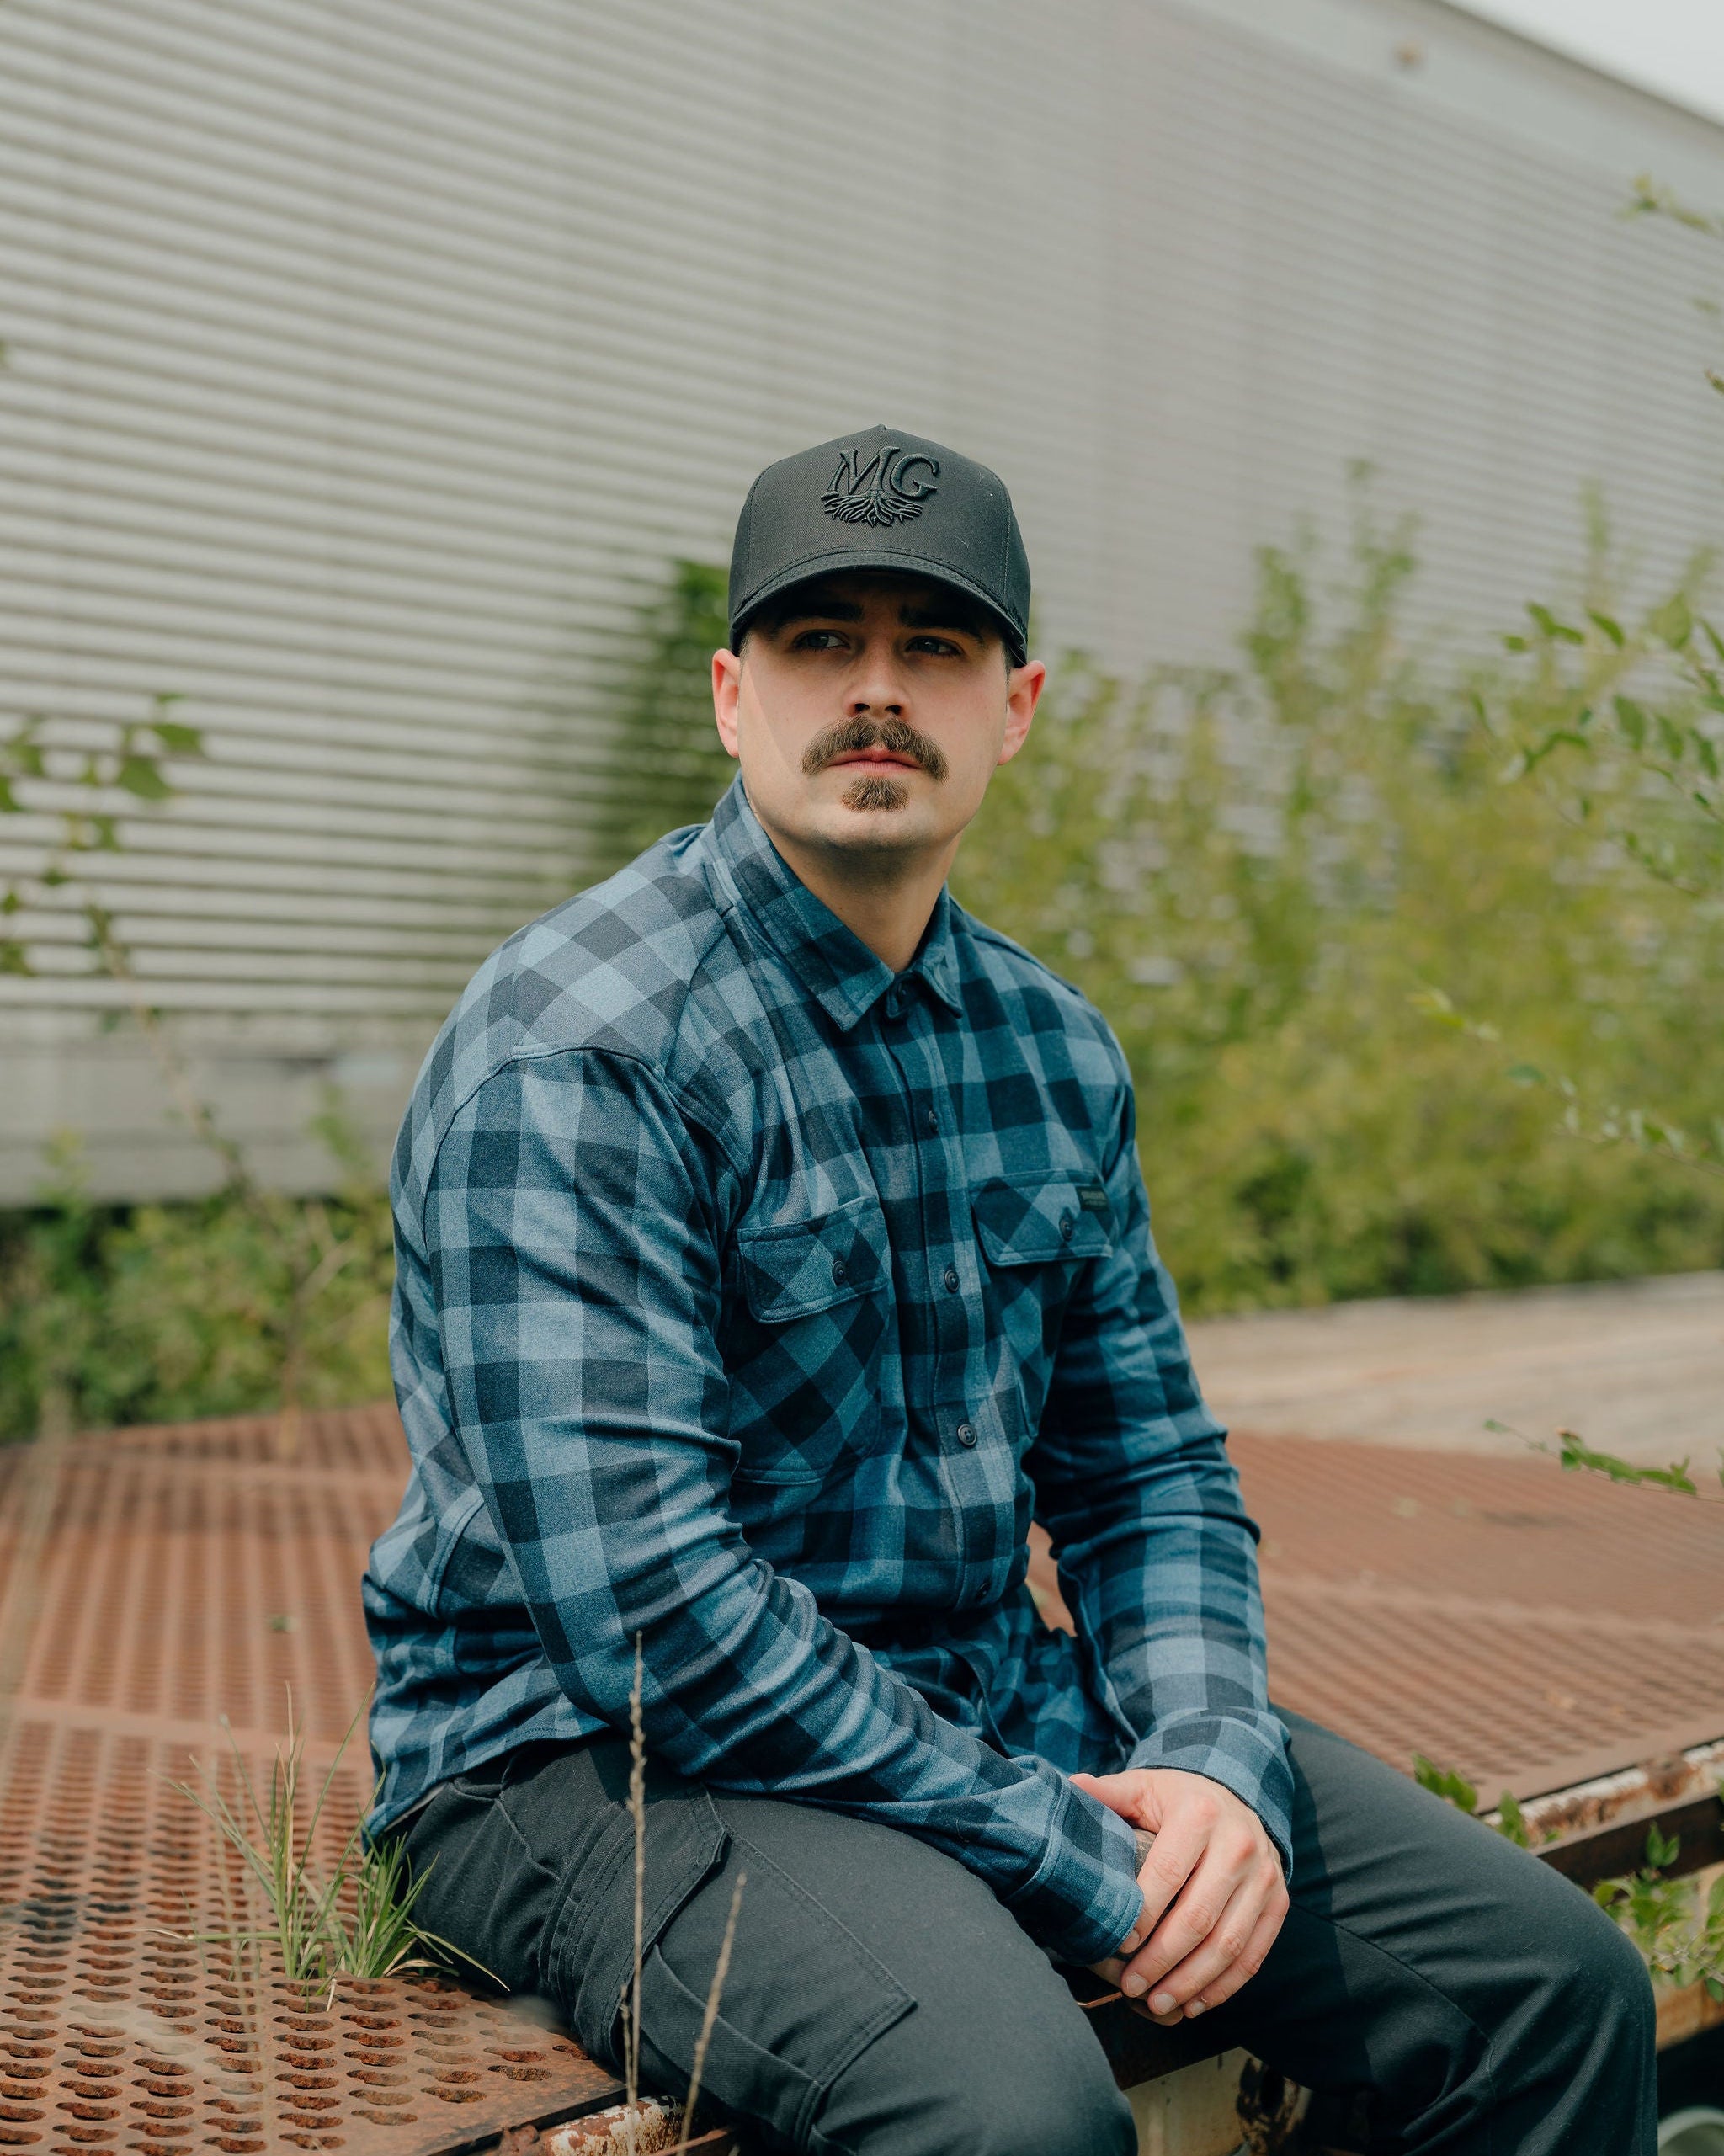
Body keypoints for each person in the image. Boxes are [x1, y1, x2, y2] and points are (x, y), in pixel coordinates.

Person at [363, 426, 1654, 2155]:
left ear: (1017, 704)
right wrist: (1059, 1843)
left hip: (970, 1697)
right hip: (587, 1759)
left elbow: (1148, 1481)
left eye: (933, 647)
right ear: (735, 695)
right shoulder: (582, 1045)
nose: (876, 691)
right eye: (825, 642)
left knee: (1548, 1990)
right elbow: (652, 1615)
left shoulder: (1049, 1049)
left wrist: (1204, 1764)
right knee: (1018, 2121)